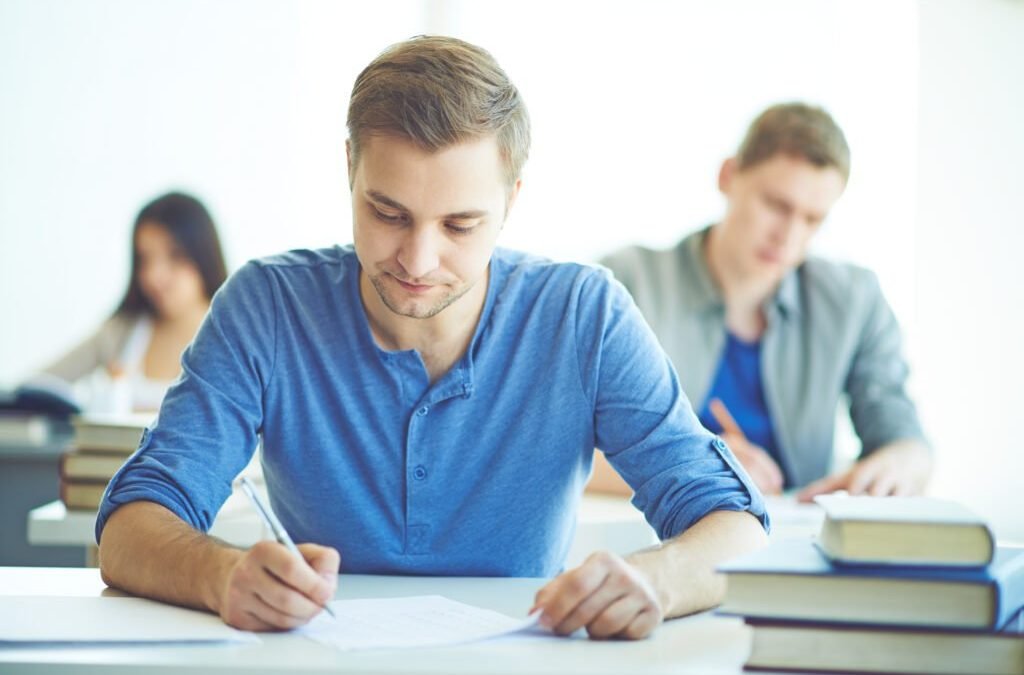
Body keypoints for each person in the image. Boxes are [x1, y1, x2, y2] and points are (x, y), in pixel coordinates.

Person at [96, 36, 768, 641]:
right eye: (387, 213)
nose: (417, 260)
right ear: (349, 170)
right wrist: (222, 574)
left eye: (460, 224)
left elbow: (738, 526)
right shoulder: (267, 305)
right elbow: (129, 527)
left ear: (512, 201)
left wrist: (658, 577)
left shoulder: (583, 315)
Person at [591, 103, 932, 503]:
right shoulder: (626, 283)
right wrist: (696, 462)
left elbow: (904, 437)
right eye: (776, 205)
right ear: (728, 176)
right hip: (654, 536)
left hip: (796, 541)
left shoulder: (854, 301)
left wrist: (901, 462)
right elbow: (560, 447)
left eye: (812, 219)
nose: (788, 236)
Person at [39, 192, 228, 413]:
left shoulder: (235, 340)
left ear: (203, 256)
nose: (155, 276)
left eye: (175, 256)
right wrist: (100, 398)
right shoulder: (121, 332)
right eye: (145, 259)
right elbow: (38, 387)